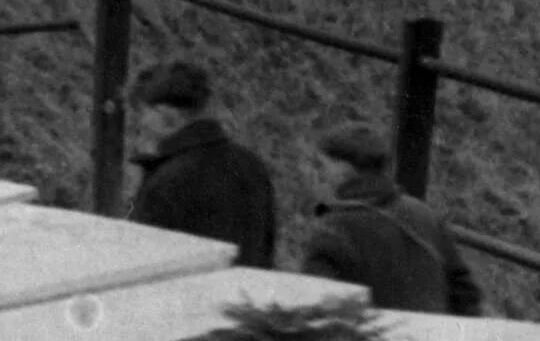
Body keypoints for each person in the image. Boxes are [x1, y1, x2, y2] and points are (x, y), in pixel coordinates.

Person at [300, 123, 482, 315]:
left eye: (322, 166)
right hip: (430, 339)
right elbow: (466, 295)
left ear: (345, 170)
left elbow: (315, 309)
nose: (317, 175)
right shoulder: (425, 215)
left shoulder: (334, 229)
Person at [126, 61, 275, 268]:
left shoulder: (166, 180)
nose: (140, 122)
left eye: (143, 112)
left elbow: (143, 262)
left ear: (166, 116)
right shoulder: (252, 165)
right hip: (248, 293)